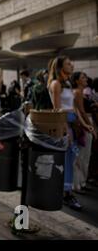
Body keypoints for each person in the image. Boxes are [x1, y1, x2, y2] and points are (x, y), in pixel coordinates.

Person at [48, 56, 82, 210]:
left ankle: (65, 191)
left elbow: (74, 107)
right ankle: (67, 194)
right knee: (67, 160)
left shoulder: (67, 83)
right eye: (68, 63)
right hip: (65, 125)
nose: (72, 65)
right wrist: (65, 130)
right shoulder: (55, 84)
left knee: (72, 158)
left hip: (73, 124)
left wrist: (85, 124)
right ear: (61, 67)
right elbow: (57, 110)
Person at [71, 72, 96, 194]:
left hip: (83, 124)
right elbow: (81, 111)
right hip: (84, 125)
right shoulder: (78, 92)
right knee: (82, 156)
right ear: (76, 81)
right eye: (83, 77)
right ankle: (78, 184)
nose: (86, 79)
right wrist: (90, 127)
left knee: (83, 156)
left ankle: (80, 183)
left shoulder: (79, 92)